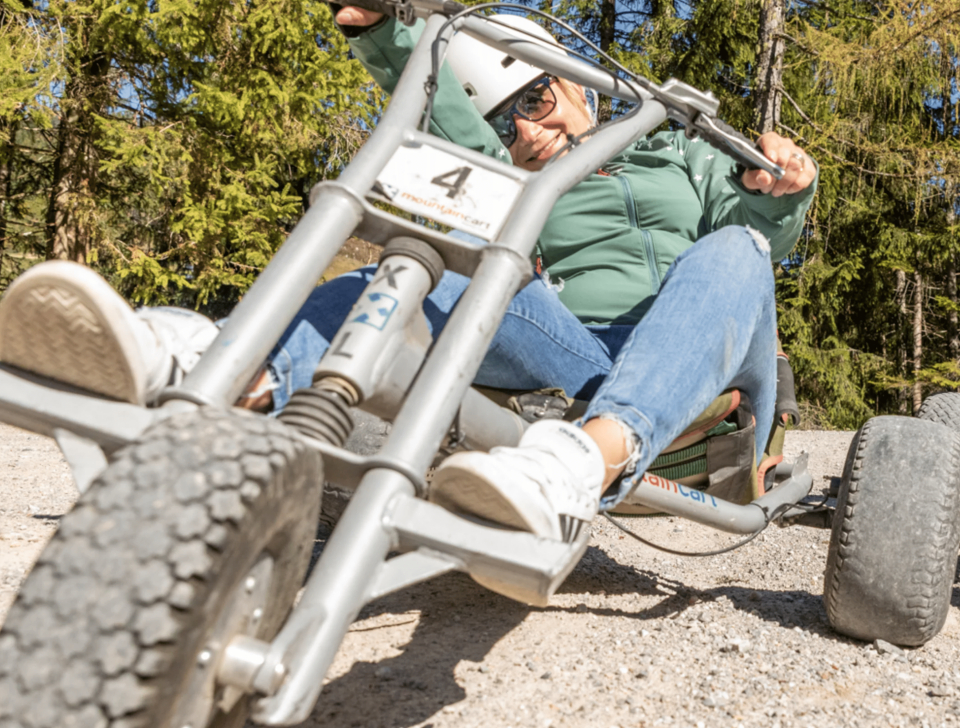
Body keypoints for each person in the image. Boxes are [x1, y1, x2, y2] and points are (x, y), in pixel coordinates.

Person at [0, 7, 817, 544]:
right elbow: (446, 118)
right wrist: (387, 27)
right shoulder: (530, 180)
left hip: (706, 369)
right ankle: (214, 366)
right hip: (581, 365)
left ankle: (582, 465)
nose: (525, 130)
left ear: (573, 81)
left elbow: (760, 237)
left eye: (533, 100)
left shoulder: (679, 152)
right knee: (436, 264)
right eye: (506, 122)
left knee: (735, 251)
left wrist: (783, 190)